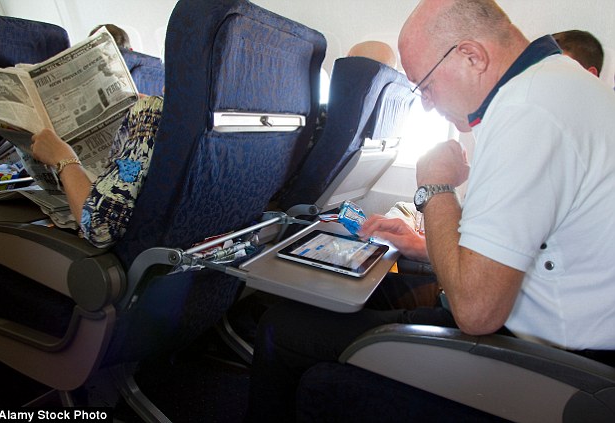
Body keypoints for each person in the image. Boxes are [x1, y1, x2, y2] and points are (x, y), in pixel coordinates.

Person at [246, 0, 615, 420]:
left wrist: (435, 185)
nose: (425, 104)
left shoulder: (528, 112)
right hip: (540, 337)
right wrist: (423, 246)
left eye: (425, 85)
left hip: (550, 366)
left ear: (472, 56)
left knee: (282, 331)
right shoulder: (553, 85)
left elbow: (475, 312)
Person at [30, 95, 162, 248]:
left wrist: (63, 159)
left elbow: (101, 228)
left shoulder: (152, 114)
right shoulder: (181, 115)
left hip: (130, 255)